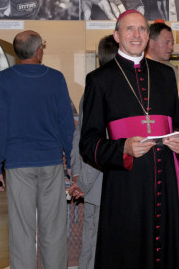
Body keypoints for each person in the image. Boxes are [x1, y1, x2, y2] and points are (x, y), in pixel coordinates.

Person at [80, 10, 179, 269]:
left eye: (142, 29)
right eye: (129, 29)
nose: (137, 35)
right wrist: (123, 147)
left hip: (165, 179)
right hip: (125, 184)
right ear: (117, 36)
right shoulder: (99, 79)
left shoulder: (165, 75)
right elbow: (88, 142)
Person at [0, 30, 75, 269]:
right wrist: (72, 163)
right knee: (54, 229)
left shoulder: (3, 79)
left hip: (18, 163)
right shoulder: (55, 78)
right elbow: (67, 125)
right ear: (39, 51)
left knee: (21, 231)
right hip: (51, 162)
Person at [67, 35, 118, 269]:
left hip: (94, 182)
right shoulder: (104, 89)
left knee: (93, 240)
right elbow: (96, 142)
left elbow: (80, 137)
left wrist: (77, 176)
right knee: (95, 243)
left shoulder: (93, 88)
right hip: (99, 183)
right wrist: (82, 180)